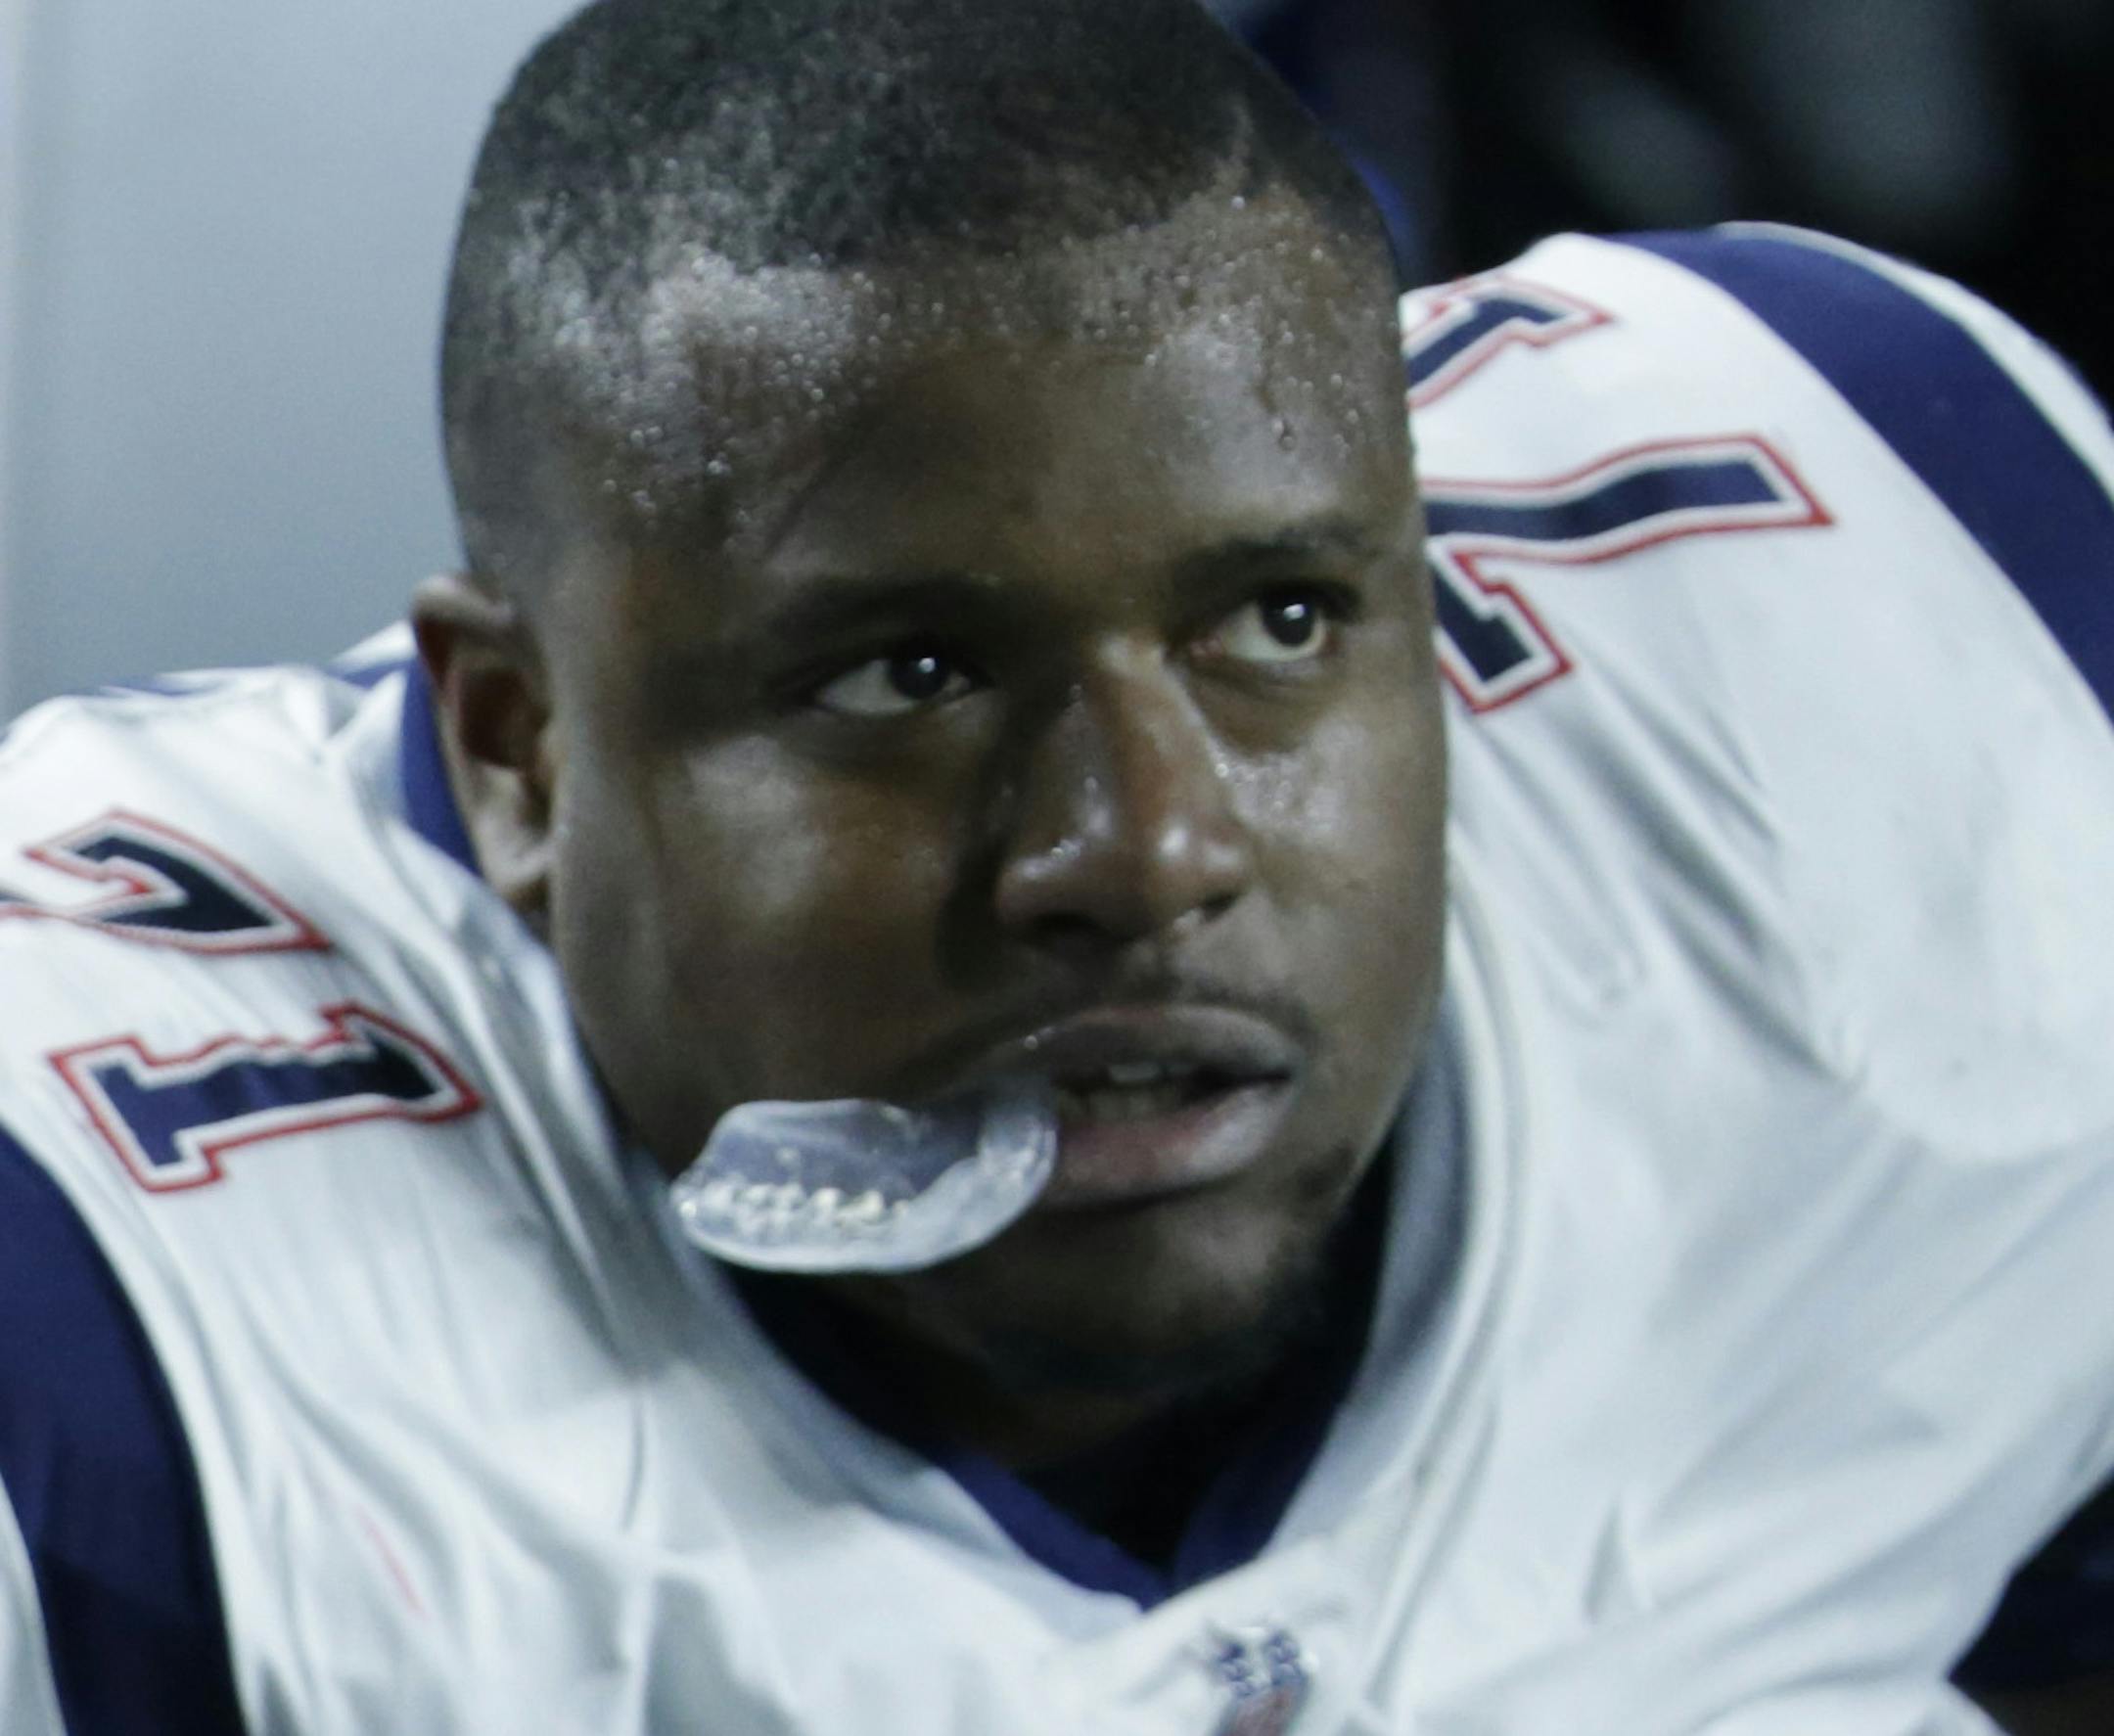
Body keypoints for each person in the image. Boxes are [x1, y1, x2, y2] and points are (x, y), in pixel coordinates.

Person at [3, 0, 2112, 1730]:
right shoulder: (111, 1336)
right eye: (909, 673)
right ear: (517, 748)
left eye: (1276, 621)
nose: (1148, 848)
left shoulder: (1946, 669)